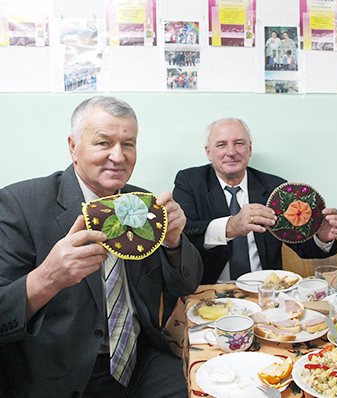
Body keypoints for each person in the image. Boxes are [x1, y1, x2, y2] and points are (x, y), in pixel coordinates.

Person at [0, 96, 203, 398]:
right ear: (73, 147)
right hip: (59, 374)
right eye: (103, 143)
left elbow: (186, 283)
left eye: (129, 144)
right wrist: (47, 278)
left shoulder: (143, 204)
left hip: (139, 361)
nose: (118, 157)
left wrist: (174, 241)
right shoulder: (20, 205)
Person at [173, 118, 337, 284]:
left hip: (266, 291)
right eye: (221, 145)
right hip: (211, 289)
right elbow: (184, 234)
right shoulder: (189, 182)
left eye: (239, 143)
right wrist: (230, 227)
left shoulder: (275, 187)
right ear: (209, 153)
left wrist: (322, 237)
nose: (231, 152)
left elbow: (300, 244)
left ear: (250, 149)